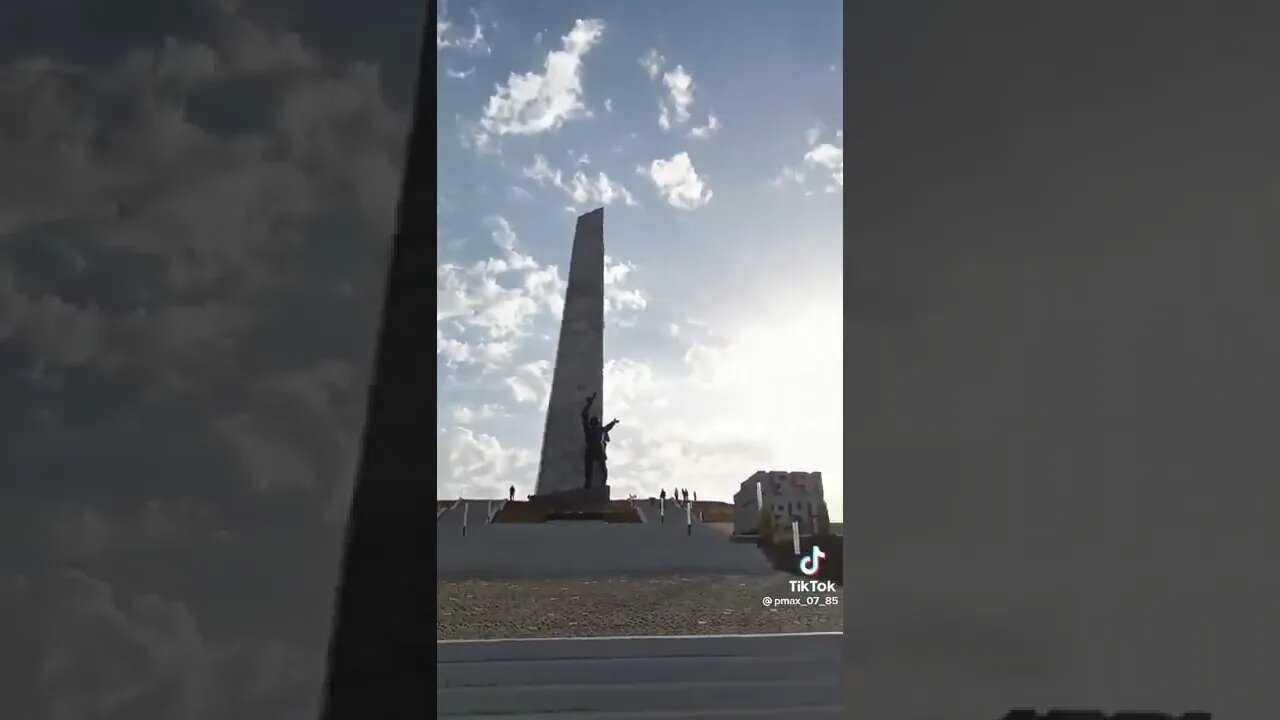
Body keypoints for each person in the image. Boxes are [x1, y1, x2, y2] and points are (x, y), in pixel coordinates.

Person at [580, 393, 619, 488]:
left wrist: (590, 404)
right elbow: (607, 428)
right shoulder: (599, 429)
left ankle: (590, 484)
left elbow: (584, 415)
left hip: (592, 449)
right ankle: (600, 484)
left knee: (591, 469)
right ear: (597, 423)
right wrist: (613, 422)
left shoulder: (588, 429)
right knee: (601, 468)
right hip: (597, 449)